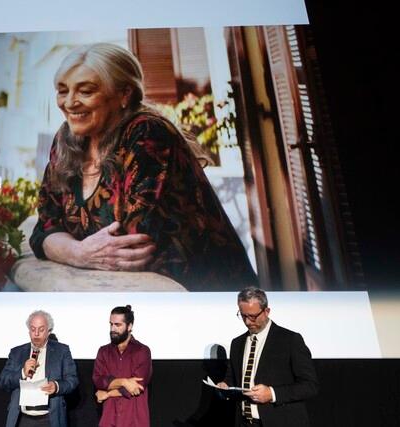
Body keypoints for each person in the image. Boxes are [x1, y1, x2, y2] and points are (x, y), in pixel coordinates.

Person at [29, 42, 257, 291]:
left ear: (124, 94)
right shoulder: (66, 140)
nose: (69, 102)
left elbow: (131, 247)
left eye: (86, 91)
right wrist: (78, 252)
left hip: (200, 295)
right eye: (63, 91)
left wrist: (65, 247)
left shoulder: (147, 133)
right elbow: (44, 231)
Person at [217, 287, 318, 426]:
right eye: (243, 315)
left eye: (252, 316)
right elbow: (233, 379)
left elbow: (310, 386)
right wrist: (225, 386)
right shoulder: (237, 343)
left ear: (266, 311)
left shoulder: (290, 340)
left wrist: (272, 394)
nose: (248, 322)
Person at [0, 310, 78, 427]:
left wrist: (56, 386)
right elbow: (3, 381)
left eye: (41, 330)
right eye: (33, 329)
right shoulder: (17, 353)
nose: (36, 334)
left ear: (49, 331)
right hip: (22, 418)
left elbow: (72, 380)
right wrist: (22, 373)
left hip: (50, 418)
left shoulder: (61, 351)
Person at [93, 305, 151, 427]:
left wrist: (108, 393)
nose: (112, 329)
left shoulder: (142, 351)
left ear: (129, 326)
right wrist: (124, 382)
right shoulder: (103, 352)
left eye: (118, 325)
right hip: (109, 419)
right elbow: (99, 381)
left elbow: (137, 386)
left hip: (134, 420)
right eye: (111, 324)